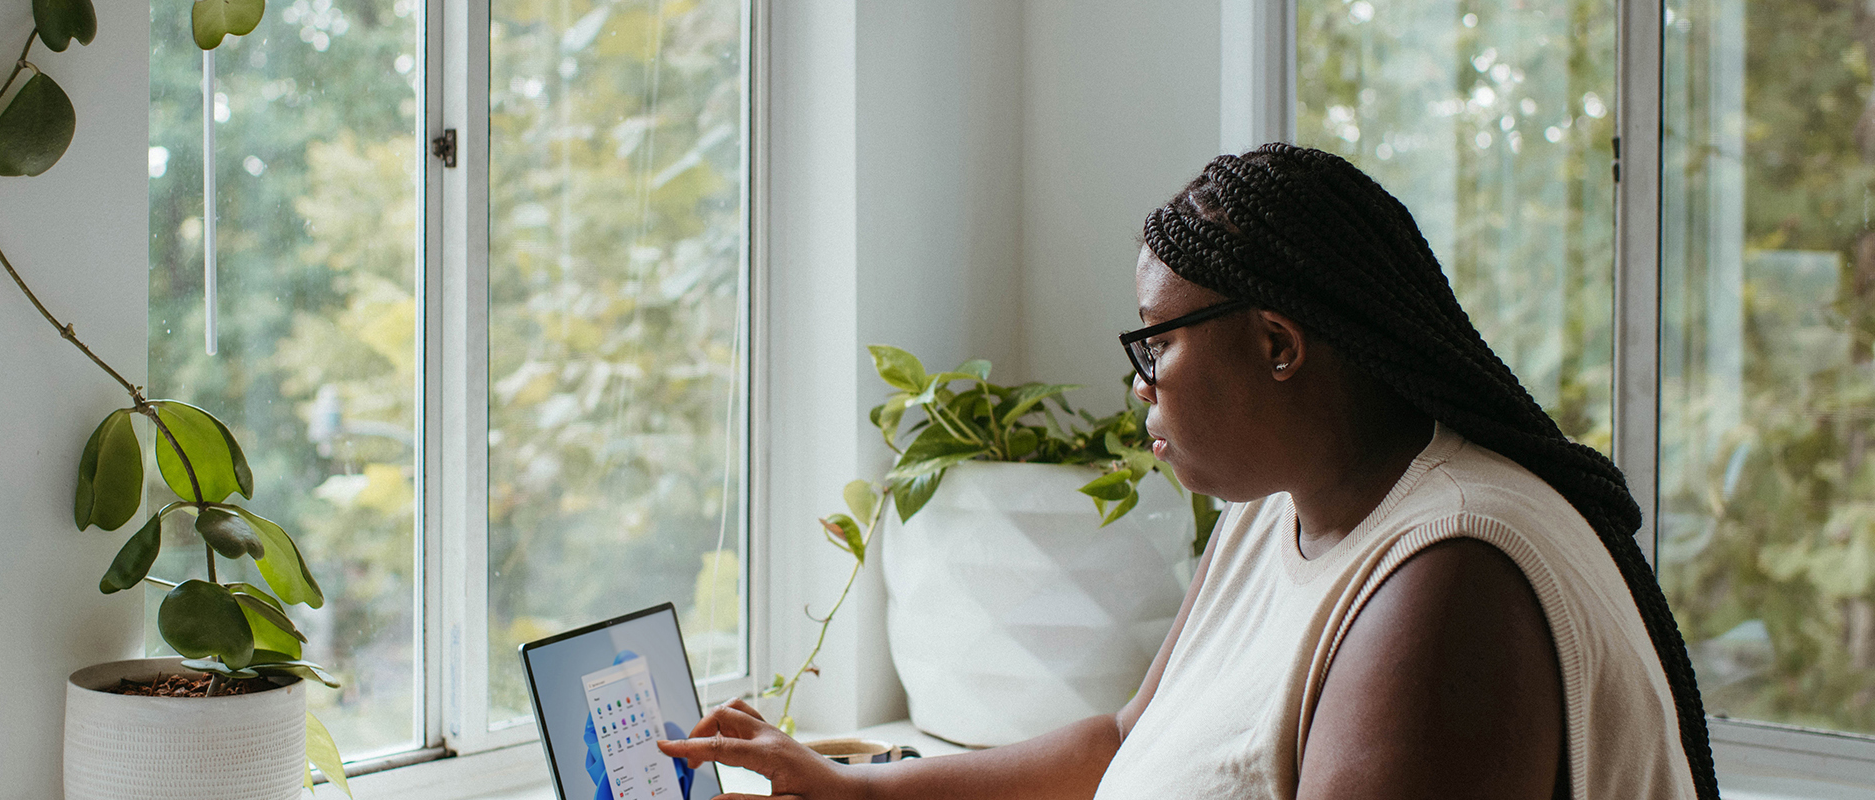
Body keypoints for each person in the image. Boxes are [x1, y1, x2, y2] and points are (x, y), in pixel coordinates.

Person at [659, 143, 1715, 800]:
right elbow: (1122, 741)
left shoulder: (1447, 578)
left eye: (1156, 342)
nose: (1140, 383)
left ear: (1278, 342)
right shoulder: (1286, 506)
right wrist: (855, 789)